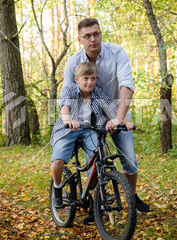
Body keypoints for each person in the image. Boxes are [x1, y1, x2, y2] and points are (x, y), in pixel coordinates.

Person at [62, 18, 151, 213]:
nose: (93, 39)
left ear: (101, 34)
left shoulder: (117, 53)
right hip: (87, 117)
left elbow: (127, 85)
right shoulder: (73, 62)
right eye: (87, 36)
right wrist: (70, 120)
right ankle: (96, 204)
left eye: (96, 34)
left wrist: (120, 118)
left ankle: (132, 198)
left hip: (117, 111)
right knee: (95, 158)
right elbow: (67, 95)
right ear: (80, 39)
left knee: (129, 159)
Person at [50, 62, 120, 212]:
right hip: (67, 129)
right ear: (77, 79)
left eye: (93, 78)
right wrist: (68, 120)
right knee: (58, 161)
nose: (90, 82)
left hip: (89, 130)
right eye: (86, 78)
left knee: (102, 153)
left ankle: (97, 190)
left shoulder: (98, 92)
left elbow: (110, 108)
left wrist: (122, 121)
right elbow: (65, 105)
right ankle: (57, 188)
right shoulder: (69, 89)